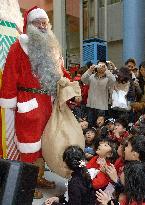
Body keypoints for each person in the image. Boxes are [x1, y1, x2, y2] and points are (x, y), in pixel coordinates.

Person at [0, 6, 64, 198]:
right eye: (39, 23)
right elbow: (10, 76)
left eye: (45, 22)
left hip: (47, 102)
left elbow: (60, 73)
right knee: (29, 145)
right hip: (28, 102)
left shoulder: (52, 48)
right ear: (29, 26)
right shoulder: (18, 47)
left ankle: (38, 176)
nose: (43, 26)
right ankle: (26, 183)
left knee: (44, 145)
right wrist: (9, 103)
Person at [81, 61, 116, 127]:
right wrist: (89, 70)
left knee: (99, 124)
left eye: (103, 66)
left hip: (102, 105)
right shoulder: (91, 77)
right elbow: (83, 79)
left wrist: (107, 71)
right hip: (91, 104)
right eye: (99, 65)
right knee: (90, 123)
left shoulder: (108, 78)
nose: (101, 67)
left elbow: (113, 80)